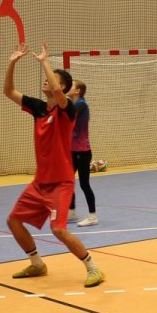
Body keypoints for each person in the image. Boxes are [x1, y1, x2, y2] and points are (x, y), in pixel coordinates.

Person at [4, 43, 104, 287]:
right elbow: (8, 91)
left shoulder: (67, 110)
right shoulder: (38, 108)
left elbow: (58, 92)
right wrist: (12, 62)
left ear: (64, 88)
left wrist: (44, 61)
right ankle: (37, 264)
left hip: (60, 183)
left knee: (58, 229)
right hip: (40, 183)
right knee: (13, 220)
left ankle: (93, 268)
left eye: (53, 80)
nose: (47, 81)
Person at [67, 80, 98, 227]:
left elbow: (68, 113)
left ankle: (92, 216)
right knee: (67, 182)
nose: (68, 87)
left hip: (83, 152)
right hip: (72, 151)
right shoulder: (72, 104)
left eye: (71, 86)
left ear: (78, 91)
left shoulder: (81, 104)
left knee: (84, 184)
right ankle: (72, 212)